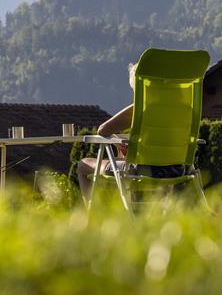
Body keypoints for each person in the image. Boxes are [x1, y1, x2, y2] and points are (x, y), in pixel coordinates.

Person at [76, 62, 189, 203]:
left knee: (83, 165)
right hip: (177, 170)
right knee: (124, 165)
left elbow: (103, 130)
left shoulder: (141, 108)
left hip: (142, 171)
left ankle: (91, 218)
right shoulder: (183, 109)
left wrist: (117, 142)